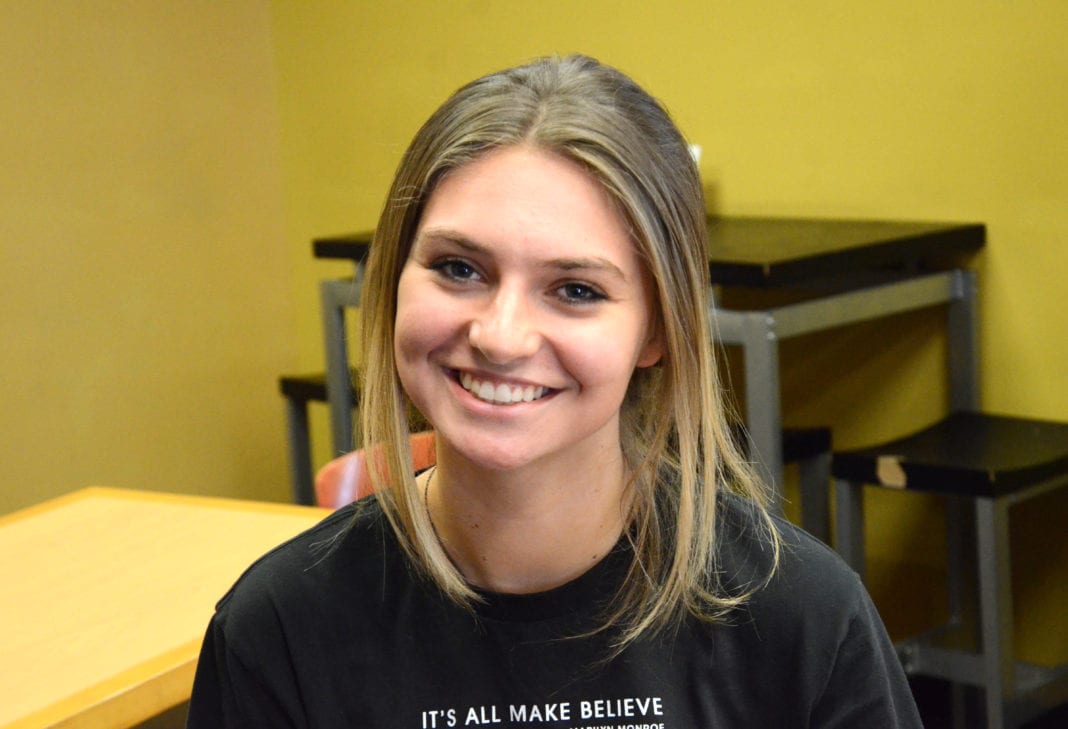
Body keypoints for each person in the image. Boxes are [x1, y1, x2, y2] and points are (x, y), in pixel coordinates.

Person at [187, 54, 923, 728]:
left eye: (575, 289)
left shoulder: (801, 622)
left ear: (657, 331)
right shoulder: (278, 630)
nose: (501, 335)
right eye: (458, 268)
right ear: (392, 284)